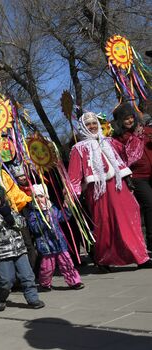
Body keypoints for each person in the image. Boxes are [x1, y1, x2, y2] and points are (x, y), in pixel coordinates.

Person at [68, 112, 152, 268]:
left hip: (118, 186)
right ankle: (104, 258)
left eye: (94, 123)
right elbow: (74, 176)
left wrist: (136, 138)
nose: (92, 126)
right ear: (83, 128)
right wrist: (72, 195)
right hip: (97, 191)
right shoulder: (78, 148)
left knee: (130, 217)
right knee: (105, 224)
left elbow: (129, 156)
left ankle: (140, 256)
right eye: (88, 124)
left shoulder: (110, 142)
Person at [0, 184, 45, 311]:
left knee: (27, 275)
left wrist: (11, 217)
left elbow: (22, 223)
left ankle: (33, 299)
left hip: (18, 249)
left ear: (2, 198)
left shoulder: (10, 209)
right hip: (2, 253)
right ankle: (1, 297)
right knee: (6, 280)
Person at [27, 184, 84, 291]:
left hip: (60, 243)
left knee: (67, 263)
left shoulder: (52, 208)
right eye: (36, 197)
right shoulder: (33, 213)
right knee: (47, 268)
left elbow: (63, 217)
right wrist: (44, 221)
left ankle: (74, 281)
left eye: (41, 196)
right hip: (46, 246)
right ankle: (45, 283)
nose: (39, 199)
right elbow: (34, 228)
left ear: (46, 196)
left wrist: (67, 208)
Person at [112, 102, 152, 250]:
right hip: (138, 176)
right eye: (125, 119)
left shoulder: (146, 130)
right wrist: (134, 138)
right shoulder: (119, 138)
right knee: (150, 205)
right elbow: (123, 157)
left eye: (131, 117)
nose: (129, 121)